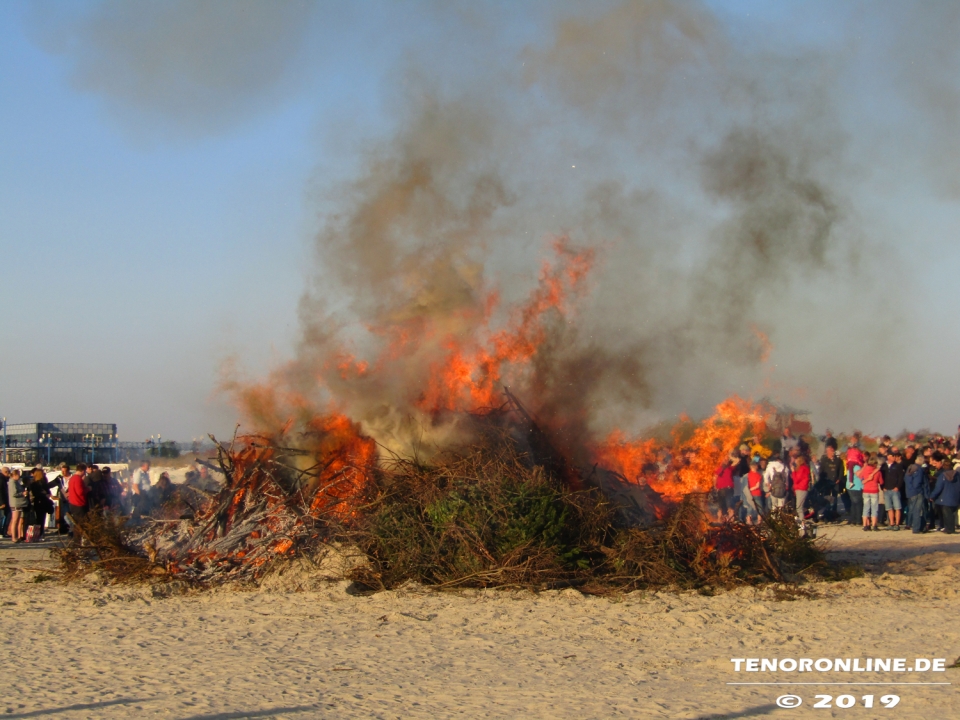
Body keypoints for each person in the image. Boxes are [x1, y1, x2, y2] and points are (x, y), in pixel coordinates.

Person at [929, 457, 960, 534]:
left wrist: (932, 496)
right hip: (956, 497)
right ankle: (951, 528)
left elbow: (938, 488)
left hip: (945, 498)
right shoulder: (957, 475)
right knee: (952, 514)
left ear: (943, 466)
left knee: (947, 515)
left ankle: (949, 529)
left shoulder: (942, 476)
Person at [817, 444, 845, 519]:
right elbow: (821, 471)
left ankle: (834, 513)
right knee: (826, 497)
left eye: (833, 450)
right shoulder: (824, 460)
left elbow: (841, 470)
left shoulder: (838, 460)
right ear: (827, 452)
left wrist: (839, 478)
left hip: (835, 482)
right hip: (826, 482)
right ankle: (826, 512)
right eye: (831, 451)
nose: (832, 452)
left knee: (835, 497)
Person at [26, 468, 55, 539]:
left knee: (39, 518)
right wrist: (45, 493)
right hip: (41, 502)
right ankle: (40, 533)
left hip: (38, 502)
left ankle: (39, 533)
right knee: (41, 518)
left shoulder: (33, 483)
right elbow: (46, 492)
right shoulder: (40, 484)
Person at [857, 453, 882, 531]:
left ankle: (865, 525)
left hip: (866, 490)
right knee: (874, 508)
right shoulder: (877, 472)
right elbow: (881, 481)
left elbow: (860, 477)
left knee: (866, 508)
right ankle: (874, 525)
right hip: (874, 490)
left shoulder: (865, 470)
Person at [904, 459, 928, 533]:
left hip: (909, 492)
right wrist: (920, 491)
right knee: (918, 511)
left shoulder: (909, 468)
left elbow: (905, 479)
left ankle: (911, 524)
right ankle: (917, 528)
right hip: (917, 493)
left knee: (912, 509)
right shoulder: (919, 469)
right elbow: (917, 482)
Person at [883, 450, 905, 530]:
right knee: (889, 508)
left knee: (897, 507)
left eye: (894, 456)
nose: (894, 458)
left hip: (895, 490)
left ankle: (897, 524)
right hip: (886, 489)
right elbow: (881, 477)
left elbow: (901, 477)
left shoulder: (898, 466)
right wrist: (883, 487)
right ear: (888, 457)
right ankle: (891, 523)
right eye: (892, 456)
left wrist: (898, 487)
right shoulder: (884, 466)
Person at [7, 469, 29, 543]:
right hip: (15, 503)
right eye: (18, 475)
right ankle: (14, 537)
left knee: (17, 521)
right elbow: (14, 493)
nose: (19, 477)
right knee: (15, 521)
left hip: (19, 503)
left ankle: (16, 536)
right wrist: (22, 493)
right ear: (15, 475)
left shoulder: (16, 482)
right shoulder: (12, 483)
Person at [792, 455, 812, 528]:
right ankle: (802, 522)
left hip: (801, 488)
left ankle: (802, 523)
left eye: (796, 459)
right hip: (801, 488)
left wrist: (793, 472)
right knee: (800, 507)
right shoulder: (804, 468)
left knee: (799, 508)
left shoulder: (802, 468)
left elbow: (797, 479)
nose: (795, 461)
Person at [743, 461, 763, 525]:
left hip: (749, 494)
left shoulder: (747, 475)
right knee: (759, 508)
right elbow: (757, 486)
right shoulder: (758, 475)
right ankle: (759, 521)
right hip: (757, 493)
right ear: (756, 466)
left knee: (750, 507)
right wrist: (751, 489)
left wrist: (749, 490)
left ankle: (749, 521)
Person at [0, 466, 10, 538]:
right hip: (2, 502)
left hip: (4, 501)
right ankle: (1, 532)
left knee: (4, 516)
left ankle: (3, 532)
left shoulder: (4, 479)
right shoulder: (1, 479)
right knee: (2, 517)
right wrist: (2, 502)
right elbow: (0, 492)